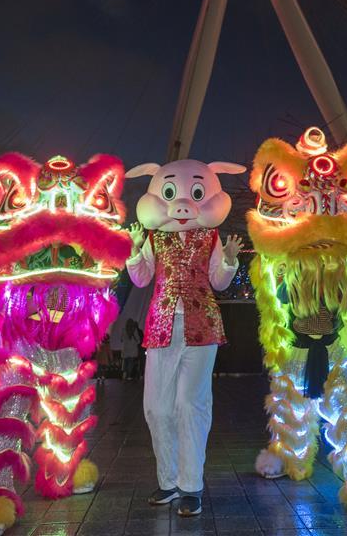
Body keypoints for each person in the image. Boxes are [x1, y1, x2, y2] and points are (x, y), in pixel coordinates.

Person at [125, 158, 244, 517]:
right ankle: (169, 481)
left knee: (190, 405)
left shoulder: (211, 235)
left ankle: (191, 486)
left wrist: (230, 261)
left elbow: (219, 281)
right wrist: (133, 252)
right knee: (157, 407)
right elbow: (142, 278)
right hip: (161, 325)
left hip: (202, 325)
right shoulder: (153, 236)